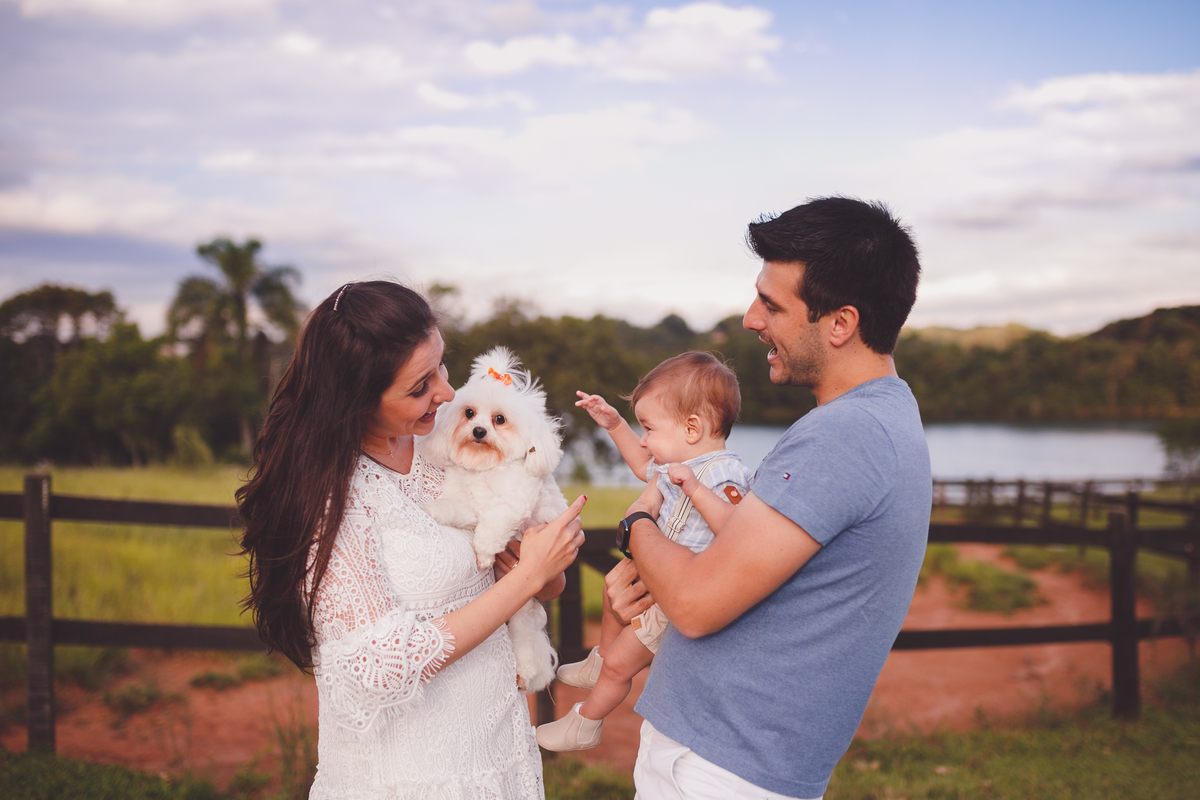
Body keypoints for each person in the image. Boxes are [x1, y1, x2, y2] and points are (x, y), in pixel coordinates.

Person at [609, 197, 931, 800]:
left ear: (840, 323)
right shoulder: (887, 417)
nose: (752, 319)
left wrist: (635, 528)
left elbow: (697, 603)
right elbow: (732, 565)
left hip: (720, 770)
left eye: (772, 304)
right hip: (736, 759)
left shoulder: (843, 435)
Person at [236, 281, 585, 799]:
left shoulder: (443, 441)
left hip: (498, 752)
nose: (446, 393)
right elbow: (378, 665)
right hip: (413, 774)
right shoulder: (334, 500)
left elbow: (531, 581)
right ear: (355, 399)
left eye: (442, 366)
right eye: (419, 386)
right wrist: (527, 578)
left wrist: (541, 571)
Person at [535, 352, 753, 751]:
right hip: (655, 575)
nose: (644, 440)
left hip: (677, 593)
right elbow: (640, 465)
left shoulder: (725, 473)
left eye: (649, 428)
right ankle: (598, 658)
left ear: (692, 428)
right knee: (611, 588)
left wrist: (695, 490)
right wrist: (613, 423)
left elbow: (737, 531)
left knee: (623, 665)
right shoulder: (676, 460)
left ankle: (585, 722)